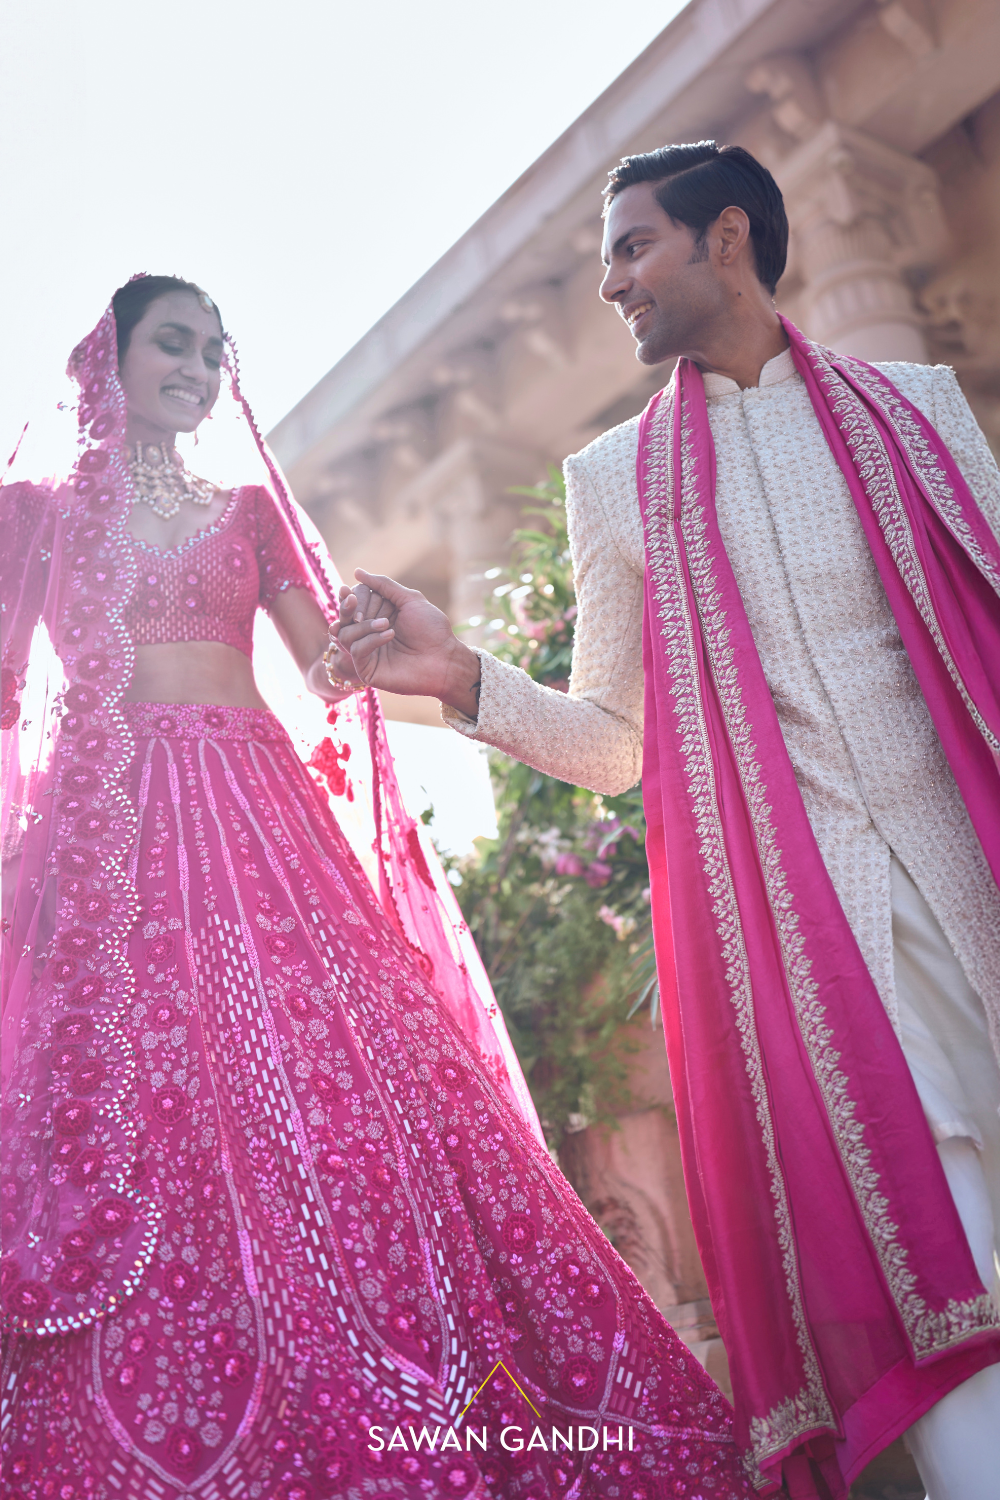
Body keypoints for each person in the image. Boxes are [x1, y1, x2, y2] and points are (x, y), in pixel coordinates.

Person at [0, 275, 754, 1500]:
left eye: (212, 351)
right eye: (172, 344)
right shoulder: (36, 514)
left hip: (258, 816)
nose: (195, 369)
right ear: (112, 357)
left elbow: (324, 677)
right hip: (110, 838)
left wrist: (367, 641)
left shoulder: (246, 510)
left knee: (345, 1083)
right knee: (152, 1095)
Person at [333, 144, 1000, 1500]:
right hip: (823, 944)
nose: (610, 283)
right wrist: (461, 677)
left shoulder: (919, 406)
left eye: (632, 248)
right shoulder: (615, 479)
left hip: (972, 874)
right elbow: (615, 743)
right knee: (933, 1251)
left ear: (726, 237)